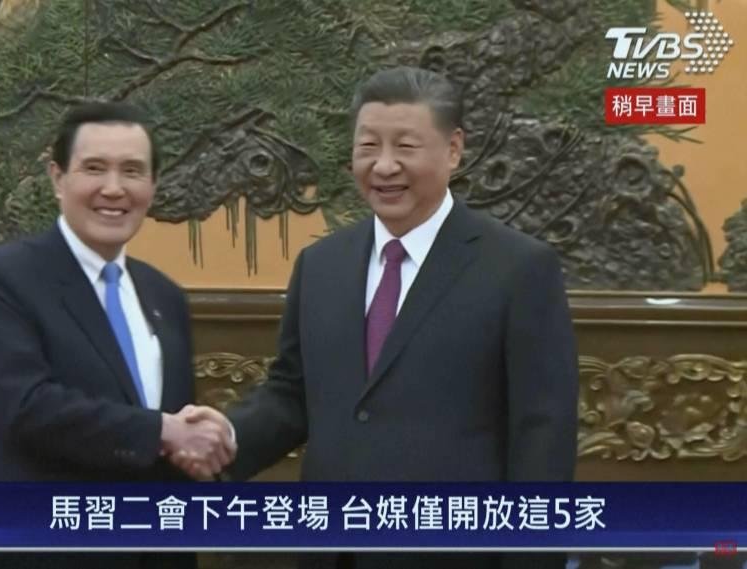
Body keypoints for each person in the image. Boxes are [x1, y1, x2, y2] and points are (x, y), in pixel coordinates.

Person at [183, 67, 579, 568]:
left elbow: (542, 436)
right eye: (368, 146)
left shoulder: (518, 268)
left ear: (453, 149)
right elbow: (292, 394)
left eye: (405, 147)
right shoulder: (321, 264)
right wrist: (227, 437)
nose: (384, 166)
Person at [0, 102, 234, 569]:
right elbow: (23, 406)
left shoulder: (164, 296)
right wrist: (162, 431)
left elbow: (174, 443)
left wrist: (209, 444)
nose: (114, 188)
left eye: (132, 171)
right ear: (57, 178)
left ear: (153, 186)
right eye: (95, 168)